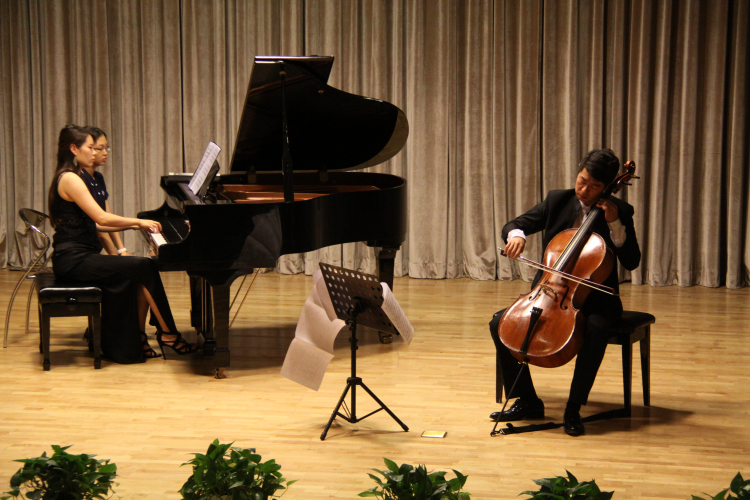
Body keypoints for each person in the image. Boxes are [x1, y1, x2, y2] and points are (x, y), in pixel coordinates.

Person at [489, 149, 641, 436]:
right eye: (582, 180)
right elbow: (515, 224)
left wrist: (614, 224)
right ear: (579, 169)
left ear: (607, 186)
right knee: (499, 323)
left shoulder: (620, 211)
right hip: (549, 292)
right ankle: (527, 400)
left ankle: (574, 407)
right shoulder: (557, 200)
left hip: (597, 299)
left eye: (594, 186)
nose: (584, 190)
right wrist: (516, 236)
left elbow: (632, 260)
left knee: (596, 327)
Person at [48, 125, 197, 363]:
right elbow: (102, 219)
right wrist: (138, 223)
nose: (97, 152)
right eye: (91, 147)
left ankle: (139, 339)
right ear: (74, 149)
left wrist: (123, 246)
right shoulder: (69, 179)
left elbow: (99, 225)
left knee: (142, 267)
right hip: (72, 259)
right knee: (144, 266)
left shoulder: (82, 177)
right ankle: (169, 335)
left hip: (83, 256)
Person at [81, 126, 132, 256]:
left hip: (94, 250)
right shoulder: (79, 179)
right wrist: (114, 256)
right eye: (100, 148)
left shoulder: (98, 177)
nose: (105, 153)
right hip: (83, 252)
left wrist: (122, 250)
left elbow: (107, 214)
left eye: (106, 148)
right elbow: (100, 226)